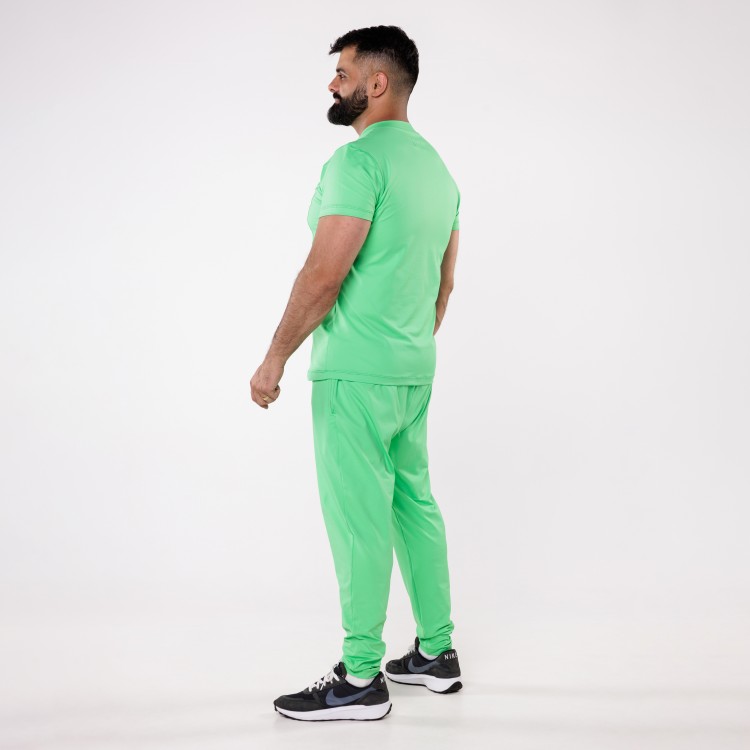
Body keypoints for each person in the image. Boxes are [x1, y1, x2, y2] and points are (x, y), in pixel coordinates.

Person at [250, 25, 463, 721]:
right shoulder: (438, 171)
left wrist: (275, 356)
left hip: (353, 375)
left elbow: (324, 273)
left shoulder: (357, 163)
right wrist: (405, 344)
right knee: (413, 506)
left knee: (359, 521)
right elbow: (444, 286)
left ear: (377, 83)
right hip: (412, 371)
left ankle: (362, 677)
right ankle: (436, 653)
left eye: (342, 73)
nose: (332, 84)